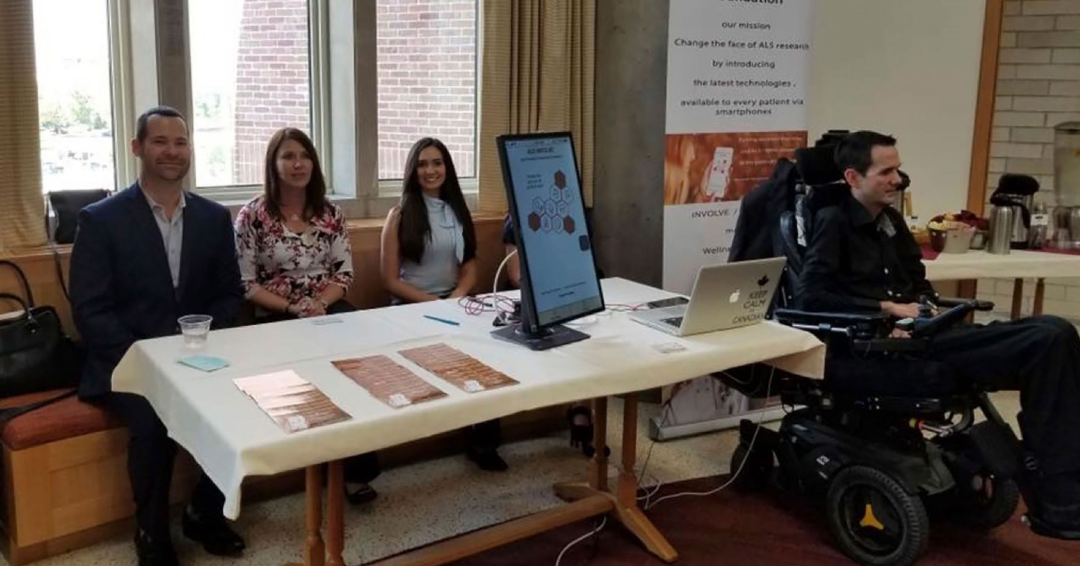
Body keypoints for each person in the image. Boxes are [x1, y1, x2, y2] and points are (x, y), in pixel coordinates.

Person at [796, 130, 1080, 540]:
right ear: (854, 177)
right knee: (1048, 337)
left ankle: (1061, 490)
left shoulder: (891, 221)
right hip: (875, 348)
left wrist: (928, 309)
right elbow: (810, 297)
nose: (899, 179)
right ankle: (1062, 499)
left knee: (1055, 335)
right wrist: (884, 310)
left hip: (924, 336)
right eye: (887, 172)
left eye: (899, 169)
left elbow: (918, 285)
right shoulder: (832, 221)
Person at [70, 106, 246, 566]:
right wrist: (151, 357)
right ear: (137, 148)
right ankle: (150, 530)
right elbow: (91, 310)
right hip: (129, 362)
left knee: (239, 401)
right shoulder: (100, 220)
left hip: (201, 356)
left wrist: (208, 337)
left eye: (180, 142)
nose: (172, 151)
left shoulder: (213, 218)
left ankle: (204, 512)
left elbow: (230, 294)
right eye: (160, 141)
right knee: (151, 421)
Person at [234, 127, 380, 505]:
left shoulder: (330, 214)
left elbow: (344, 274)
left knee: (360, 372)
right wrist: (292, 307)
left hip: (326, 309)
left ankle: (358, 470)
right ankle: (304, 471)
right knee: (308, 385)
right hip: (276, 316)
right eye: (288, 156)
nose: (298, 164)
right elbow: (246, 283)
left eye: (304, 155)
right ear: (273, 163)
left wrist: (319, 304)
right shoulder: (253, 215)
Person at [380, 137, 506, 472]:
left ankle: (485, 444)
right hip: (410, 306)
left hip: (455, 301)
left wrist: (454, 299)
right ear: (412, 171)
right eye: (422, 164)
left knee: (492, 353)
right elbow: (391, 281)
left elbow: (470, 266)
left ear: (447, 168)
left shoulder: (458, 210)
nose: (430, 170)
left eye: (437, 163)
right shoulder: (400, 215)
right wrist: (434, 305)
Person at [500, 214, 606, 458]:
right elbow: (517, 276)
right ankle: (580, 412)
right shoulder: (517, 218)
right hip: (535, 299)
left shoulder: (576, 215)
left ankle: (583, 410)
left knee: (592, 336)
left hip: (572, 294)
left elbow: (583, 263)